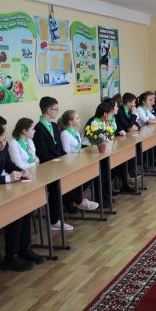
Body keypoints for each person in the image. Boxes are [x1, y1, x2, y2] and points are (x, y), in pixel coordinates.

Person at [0, 122, 45, 271]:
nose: (2, 145)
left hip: (0, 191)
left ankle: (25, 248)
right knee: (15, 213)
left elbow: (9, 165)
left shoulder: (3, 146)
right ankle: (11, 257)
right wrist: (7, 178)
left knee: (26, 209)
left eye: (4, 140)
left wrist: (22, 171)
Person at [32, 97, 98, 232]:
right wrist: (59, 161)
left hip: (59, 163)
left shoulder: (53, 126)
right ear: (48, 110)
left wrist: (64, 160)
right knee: (56, 188)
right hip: (47, 167)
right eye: (55, 109)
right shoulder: (39, 128)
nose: (57, 111)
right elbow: (43, 153)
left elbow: (60, 148)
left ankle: (76, 203)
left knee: (71, 180)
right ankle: (57, 219)